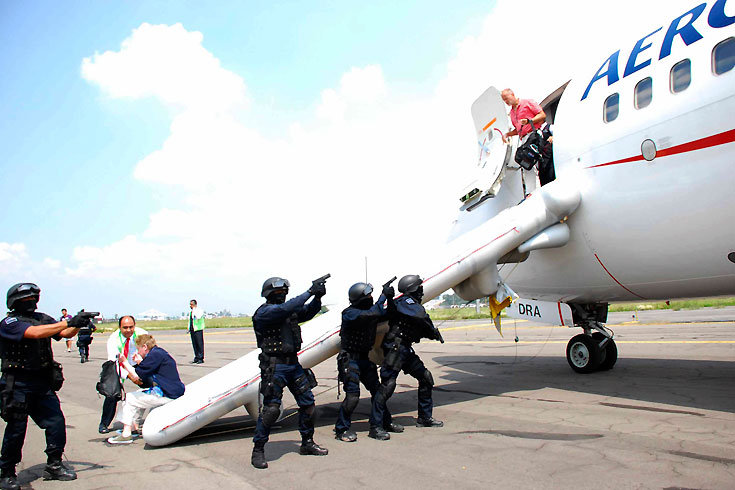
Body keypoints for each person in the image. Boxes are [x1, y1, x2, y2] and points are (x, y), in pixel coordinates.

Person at [0, 283, 90, 489]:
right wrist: (67, 322)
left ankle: (54, 465)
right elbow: (34, 333)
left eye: (34, 298)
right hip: (18, 384)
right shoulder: (9, 322)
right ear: (15, 301)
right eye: (26, 299)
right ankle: (6, 471)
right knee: (16, 429)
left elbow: (65, 334)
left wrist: (78, 323)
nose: (31, 302)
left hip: (41, 383)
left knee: (56, 423)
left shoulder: (42, 318)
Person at [250, 276, 328, 469]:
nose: (284, 295)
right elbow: (285, 309)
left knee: (308, 404)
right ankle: (258, 449)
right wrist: (309, 292)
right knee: (271, 410)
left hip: (293, 365)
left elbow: (307, 312)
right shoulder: (265, 312)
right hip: (275, 367)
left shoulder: (288, 311)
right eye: (280, 292)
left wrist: (317, 298)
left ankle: (307, 443)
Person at [372, 275, 444, 433]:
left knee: (426, 378)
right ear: (413, 289)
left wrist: (432, 333)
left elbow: (418, 322)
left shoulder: (405, 304)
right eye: (419, 287)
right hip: (395, 350)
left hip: (405, 350)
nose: (421, 291)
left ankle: (425, 417)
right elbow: (419, 315)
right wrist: (430, 329)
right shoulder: (405, 303)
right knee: (387, 387)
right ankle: (376, 425)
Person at [334, 281, 403, 442]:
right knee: (353, 396)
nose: (371, 298)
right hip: (350, 360)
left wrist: (390, 299)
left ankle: (382, 423)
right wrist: (382, 296)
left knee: (379, 393)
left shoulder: (371, 312)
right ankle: (341, 429)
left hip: (365, 359)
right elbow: (375, 312)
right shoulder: (350, 313)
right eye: (368, 296)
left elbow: (391, 314)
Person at [107, 334, 185, 444]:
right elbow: (149, 369)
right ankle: (134, 427)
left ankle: (126, 434)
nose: (138, 352)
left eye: (138, 348)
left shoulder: (155, 355)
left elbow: (137, 375)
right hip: (172, 391)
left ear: (144, 347)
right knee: (139, 393)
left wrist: (124, 361)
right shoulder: (158, 353)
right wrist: (140, 362)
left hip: (169, 394)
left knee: (130, 397)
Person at [99, 316, 148, 434]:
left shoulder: (142, 334)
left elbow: (150, 353)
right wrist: (130, 376)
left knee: (152, 385)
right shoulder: (113, 340)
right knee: (112, 394)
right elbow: (114, 363)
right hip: (120, 366)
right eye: (125, 327)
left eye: (131, 327)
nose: (128, 330)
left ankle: (138, 419)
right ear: (119, 327)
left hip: (137, 363)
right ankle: (104, 423)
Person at [187, 299, 205, 364]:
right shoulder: (190, 312)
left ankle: (201, 358)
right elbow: (190, 320)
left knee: (199, 344)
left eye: (191, 304)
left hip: (198, 329)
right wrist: (188, 328)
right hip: (192, 329)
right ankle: (196, 357)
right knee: (194, 344)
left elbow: (198, 317)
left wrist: (194, 310)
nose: (190, 306)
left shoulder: (199, 311)